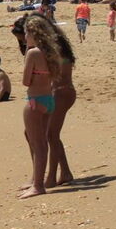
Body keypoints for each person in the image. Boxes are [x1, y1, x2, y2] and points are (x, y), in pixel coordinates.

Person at [20, 16, 61, 199]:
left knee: (38, 144)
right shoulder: (51, 52)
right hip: (48, 100)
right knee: (39, 140)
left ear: (32, 34)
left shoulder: (33, 53)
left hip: (35, 100)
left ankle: (37, 185)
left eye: (26, 33)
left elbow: (25, 81)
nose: (25, 37)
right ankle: (36, 181)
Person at [45, 17, 76, 188]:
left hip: (61, 93)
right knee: (53, 135)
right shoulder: (62, 48)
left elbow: (53, 75)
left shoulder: (56, 50)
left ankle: (51, 176)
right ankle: (65, 172)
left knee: (52, 136)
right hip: (64, 92)